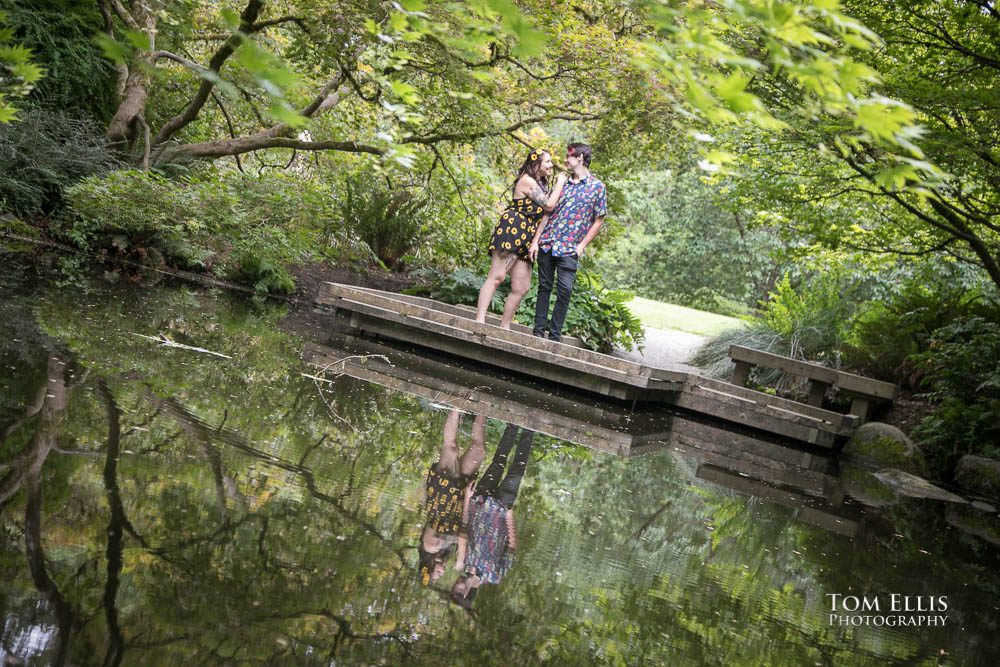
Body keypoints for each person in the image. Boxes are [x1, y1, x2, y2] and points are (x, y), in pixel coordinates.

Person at [475, 149, 567, 328]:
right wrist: (560, 184)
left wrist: (535, 242)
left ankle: (505, 326)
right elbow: (548, 206)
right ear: (536, 164)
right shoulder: (527, 181)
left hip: (527, 236)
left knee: (522, 287)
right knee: (497, 276)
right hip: (512, 229)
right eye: (547, 162)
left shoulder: (541, 186)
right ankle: (479, 320)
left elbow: (545, 216)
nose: (551, 165)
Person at [449, 423, 536, 609]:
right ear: (465, 593)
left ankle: (513, 424)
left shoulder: (462, 561)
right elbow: (512, 547)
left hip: (479, 501)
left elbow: (463, 529)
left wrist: (467, 498)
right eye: (456, 589)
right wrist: (509, 516)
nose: (455, 584)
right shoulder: (495, 575)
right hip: (502, 507)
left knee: (499, 460)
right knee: (517, 470)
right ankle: (530, 428)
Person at [529, 143, 607, 342]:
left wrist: (582, 246)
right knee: (544, 287)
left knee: (565, 291)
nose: (565, 160)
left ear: (580, 157)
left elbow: (599, 220)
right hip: (548, 242)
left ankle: (554, 337)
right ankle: (538, 333)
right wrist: (536, 241)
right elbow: (547, 214)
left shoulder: (597, 187)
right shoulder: (561, 183)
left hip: (570, 248)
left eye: (569, 156)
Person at [418, 408, 486, 586]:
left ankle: (457, 406)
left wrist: (461, 557)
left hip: (442, 494)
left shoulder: (430, 546)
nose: (441, 571)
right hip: (459, 499)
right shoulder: (445, 551)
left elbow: (459, 534)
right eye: (440, 574)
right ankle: (484, 407)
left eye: (437, 573)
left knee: (451, 447)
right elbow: (462, 530)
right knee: (478, 450)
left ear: (429, 567)